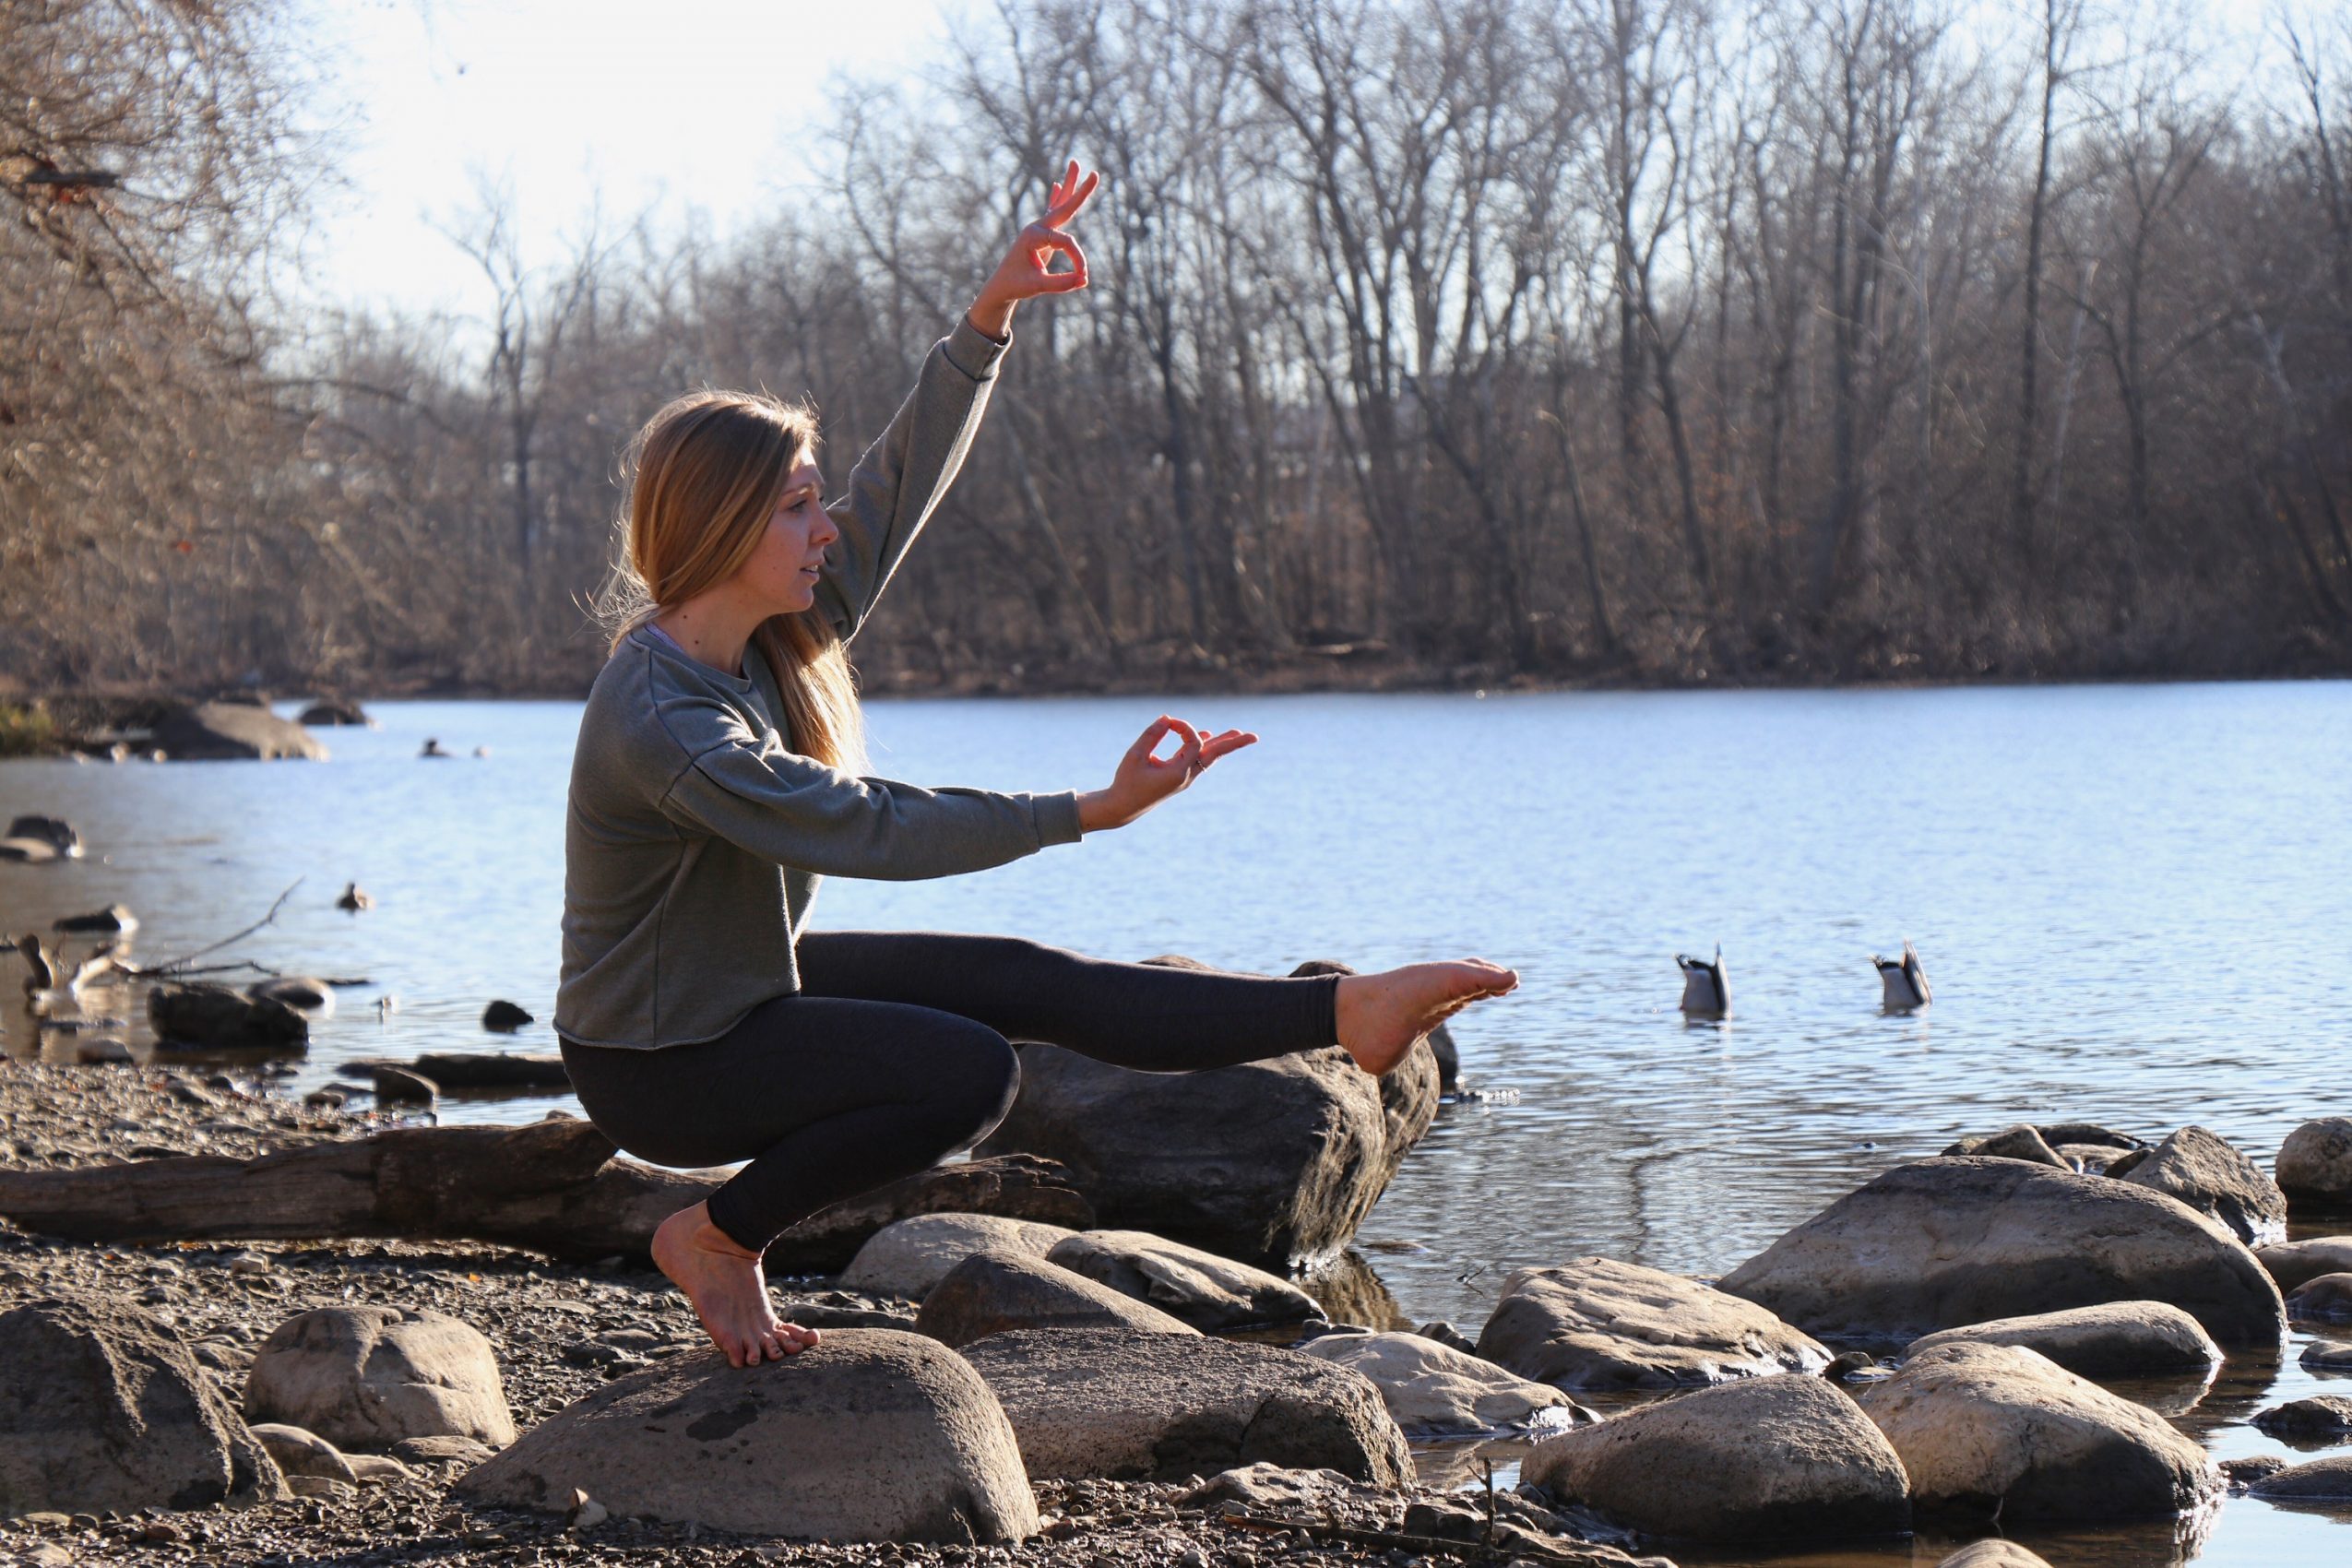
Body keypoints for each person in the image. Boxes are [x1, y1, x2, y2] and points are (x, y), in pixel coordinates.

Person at [555, 160, 1518, 1368]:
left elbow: (892, 493)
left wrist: (988, 316)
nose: (827, 527)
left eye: (814, 502)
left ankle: (1345, 1012)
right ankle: (716, 1235)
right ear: (725, 527)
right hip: (659, 1064)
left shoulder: (765, 636)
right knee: (964, 1074)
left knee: (1025, 978)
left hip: (734, 991)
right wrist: (1086, 810)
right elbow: (866, 825)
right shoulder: (665, 722)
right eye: (799, 507)